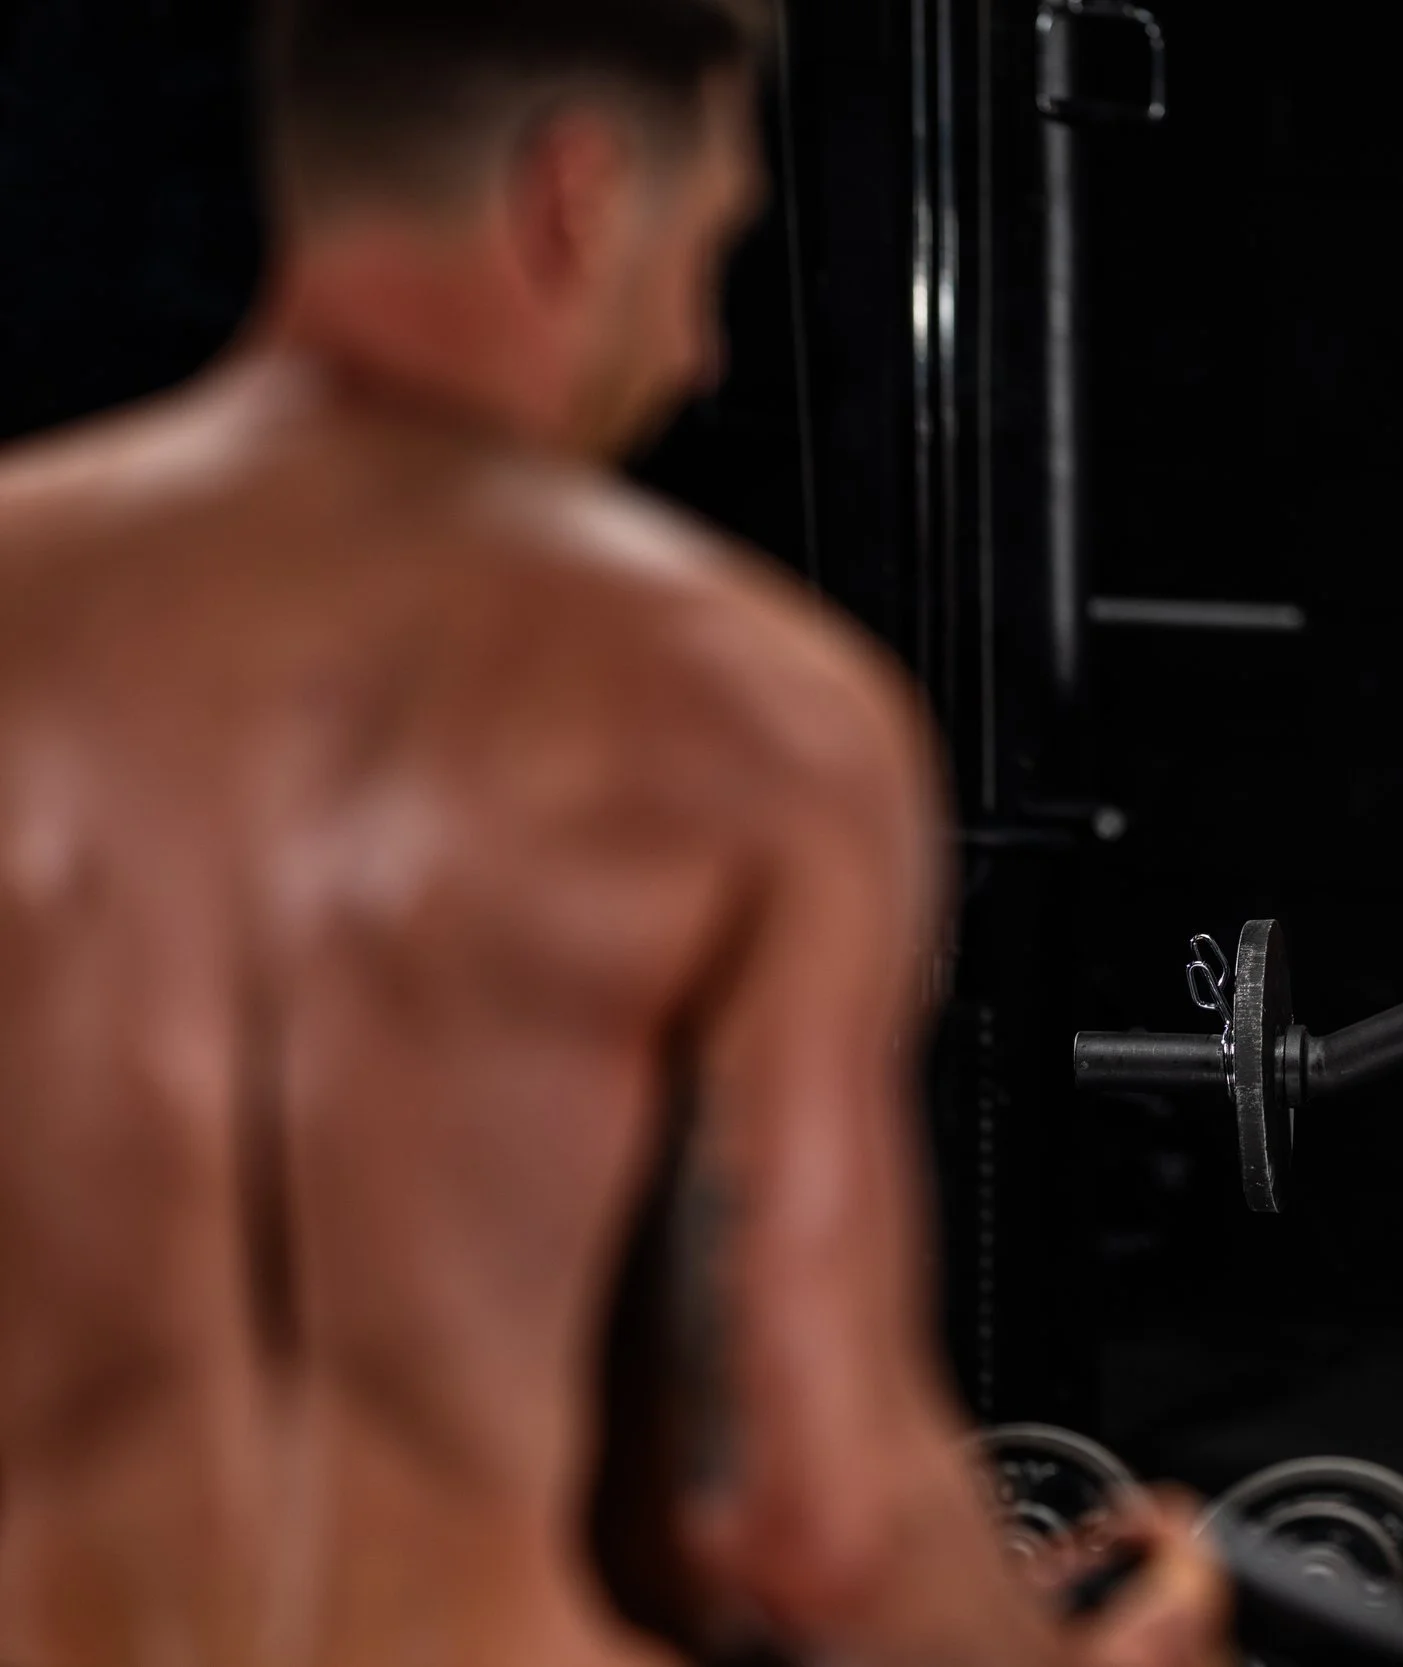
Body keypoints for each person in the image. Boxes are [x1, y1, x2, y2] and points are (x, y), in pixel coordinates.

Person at [0, 2, 1228, 1663]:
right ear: (573, 196)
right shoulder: (745, 716)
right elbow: (813, 1522)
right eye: (707, 246)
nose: (700, 348)